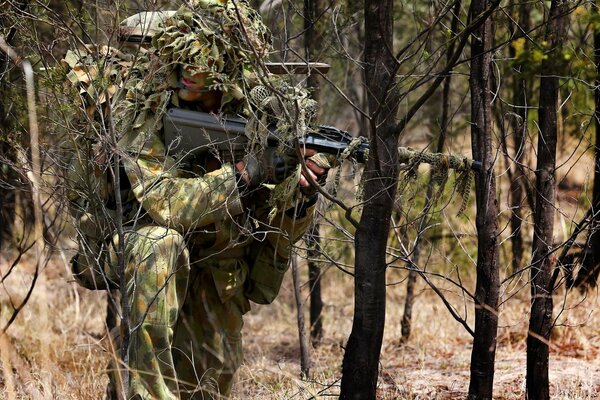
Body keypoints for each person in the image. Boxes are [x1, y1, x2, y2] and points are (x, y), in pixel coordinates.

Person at [64, 1, 328, 398]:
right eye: (182, 60)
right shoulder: (142, 107)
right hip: (144, 249)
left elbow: (277, 220)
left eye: (202, 62)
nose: (189, 73)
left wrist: (301, 195)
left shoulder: (256, 110)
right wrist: (247, 172)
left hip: (219, 265)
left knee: (208, 383)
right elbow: (166, 202)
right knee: (158, 245)